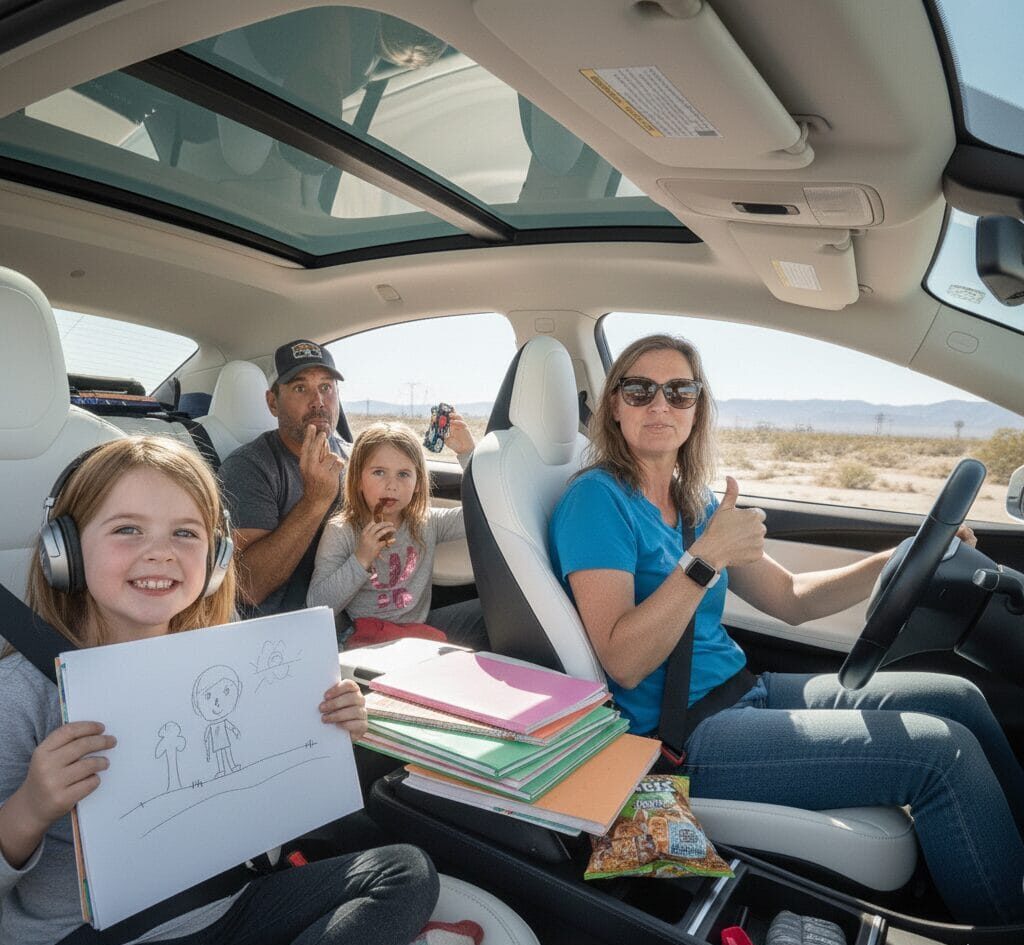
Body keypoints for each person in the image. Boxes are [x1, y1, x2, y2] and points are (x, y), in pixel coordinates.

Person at [548, 333, 1024, 925]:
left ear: (697, 408)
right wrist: (706, 558)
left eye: (679, 391)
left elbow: (792, 599)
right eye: (639, 390)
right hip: (682, 735)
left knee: (959, 698)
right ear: (615, 406)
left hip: (746, 691)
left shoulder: (693, 503)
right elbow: (623, 660)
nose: (660, 404)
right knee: (940, 753)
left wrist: (901, 558)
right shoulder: (596, 502)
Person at [0, 437, 438, 945]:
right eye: (127, 529)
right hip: (103, 934)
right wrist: (32, 806)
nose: (161, 552)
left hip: (231, 901)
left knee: (406, 871)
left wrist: (328, 726)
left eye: (185, 533)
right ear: (66, 552)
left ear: (217, 558)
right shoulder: (23, 692)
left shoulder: (228, 658)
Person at [308, 422, 488, 651]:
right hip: (366, 639)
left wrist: (467, 453)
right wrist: (361, 559)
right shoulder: (342, 530)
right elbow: (317, 605)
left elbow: (485, 510)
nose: (392, 485)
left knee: (495, 610)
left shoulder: (426, 522)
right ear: (358, 479)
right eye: (379, 472)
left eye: (403, 474)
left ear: (417, 483)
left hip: (419, 630)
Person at [219, 339, 352, 618]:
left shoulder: (353, 458)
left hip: (356, 612)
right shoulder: (248, 468)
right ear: (273, 403)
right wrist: (315, 501)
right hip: (285, 628)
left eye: (326, 387)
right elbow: (248, 587)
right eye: (300, 388)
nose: (318, 402)